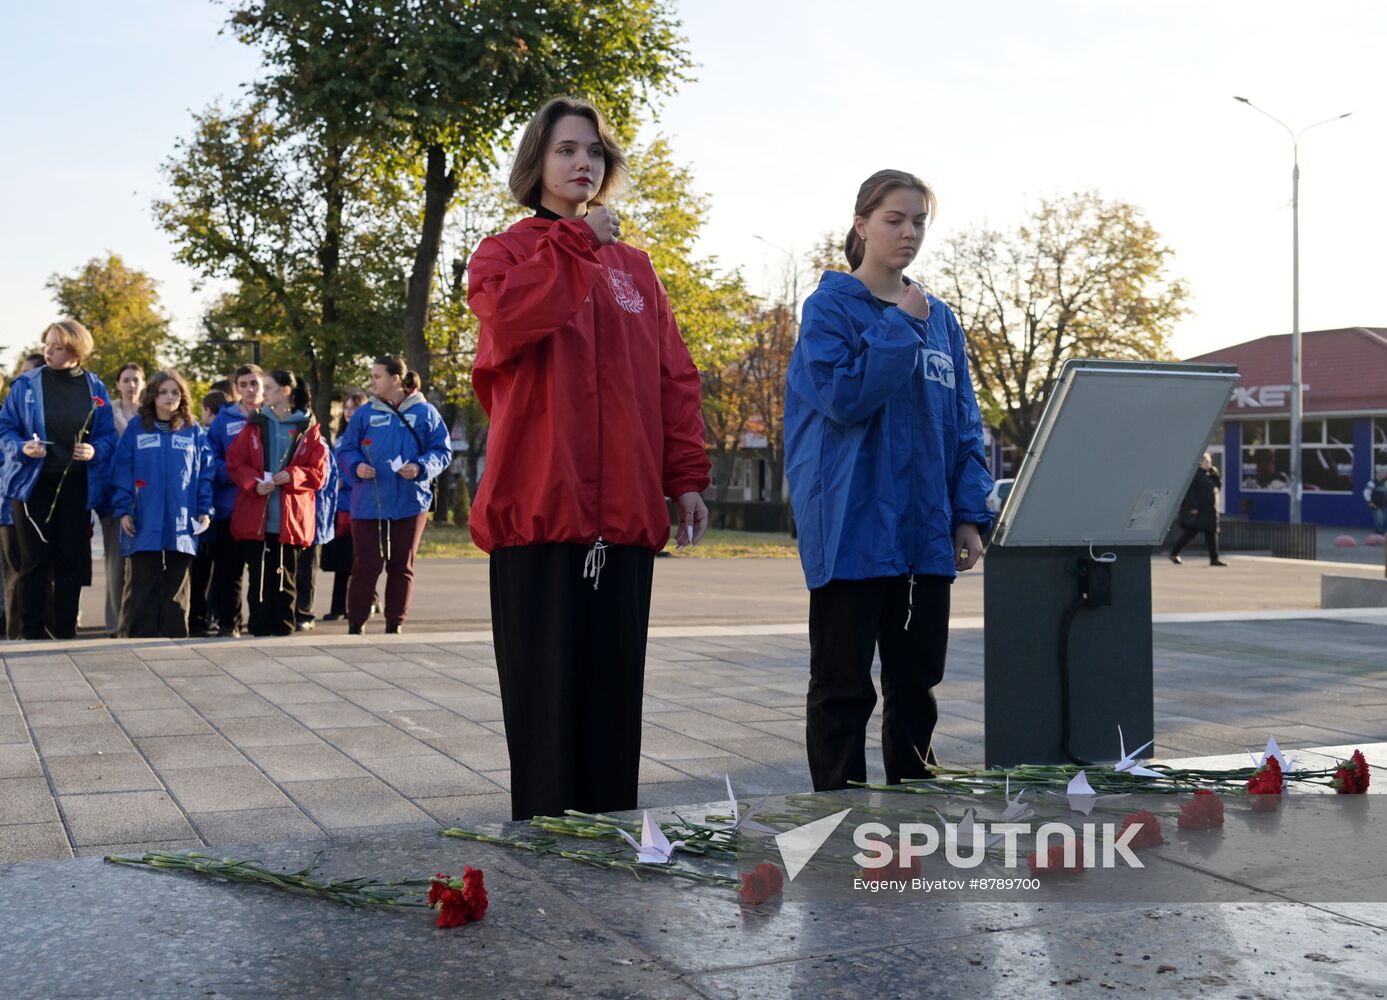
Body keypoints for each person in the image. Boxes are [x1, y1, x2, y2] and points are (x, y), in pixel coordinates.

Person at [466, 96, 709, 820]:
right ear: (536, 163)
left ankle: (610, 838)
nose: (583, 163)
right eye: (567, 149)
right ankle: (544, 847)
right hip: (540, 516)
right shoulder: (504, 253)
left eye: (595, 152)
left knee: (611, 710)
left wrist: (686, 477)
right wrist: (573, 244)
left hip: (625, 520)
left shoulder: (635, 268)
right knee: (543, 713)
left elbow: (673, 377)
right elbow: (511, 323)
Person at [784, 169, 993, 792]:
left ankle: (912, 810)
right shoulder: (829, 309)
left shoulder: (943, 321)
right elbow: (845, 398)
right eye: (894, 219)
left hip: (924, 538)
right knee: (843, 689)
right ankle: (837, 817)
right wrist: (900, 326)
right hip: (853, 531)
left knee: (916, 686)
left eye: (919, 221)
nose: (908, 233)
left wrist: (967, 515)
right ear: (862, 224)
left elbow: (964, 426)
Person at [0, 321, 117, 639]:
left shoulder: (96, 388)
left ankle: (65, 632)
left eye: (56, 346)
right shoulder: (24, 385)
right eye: (46, 344)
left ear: (76, 351)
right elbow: (4, 429)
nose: (47, 351)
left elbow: (108, 437)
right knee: (34, 561)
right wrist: (23, 447)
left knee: (69, 560)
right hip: (31, 485)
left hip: (76, 485)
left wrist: (93, 450)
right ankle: (31, 632)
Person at [336, 356, 451, 635]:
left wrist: (421, 466)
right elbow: (345, 449)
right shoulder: (364, 414)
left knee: (401, 564)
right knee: (366, 564)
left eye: (377, 376)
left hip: (410, 501)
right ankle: (356, 623)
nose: (372, 381)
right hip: (367, 502)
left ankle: (395, 622)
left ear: (395, 379)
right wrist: (356, 465)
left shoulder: (426, 412)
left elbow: (442, 451)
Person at [110, 371, 214, 637]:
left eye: (175, 392)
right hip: (145, 517)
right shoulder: (136, 428)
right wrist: (123, 509)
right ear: (153, 396)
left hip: (182, 519)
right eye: (164, 392)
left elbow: (205, 474)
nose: (170, 398)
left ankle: (175, 636)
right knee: (143, 582)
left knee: (178, 584)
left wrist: (205, 510)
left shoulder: (194, 431)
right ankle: (139, 637)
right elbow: (123, 468)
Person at [226, 369, 325, 636]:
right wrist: (254, 483)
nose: (263, 392)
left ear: (285, 391)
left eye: (268, 387)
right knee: (258, 577)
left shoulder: (308, 428)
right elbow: (235, 462)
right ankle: (258, 627)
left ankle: (284, 628)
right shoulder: (256, 424)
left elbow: (318, 473)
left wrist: (293, 475)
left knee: (285, 576)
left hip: (290, 519)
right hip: (257, 517)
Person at [208, 365, 265, 636]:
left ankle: (259, 621)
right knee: (228, 571)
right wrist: (237, 474)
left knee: (259, 570)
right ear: (237, 388)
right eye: (243, 384)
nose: (250, 389)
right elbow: (212, 457)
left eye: (254, 383)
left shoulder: (273, 415)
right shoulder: (223, 418)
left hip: (262, 507)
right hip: (230, 506)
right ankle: (229, 623)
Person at [0, 355, 46, 638]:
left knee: (27, 569)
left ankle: (27, 630)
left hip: (28, 501)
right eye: (22, 374)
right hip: (9, 503)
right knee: (16, 570)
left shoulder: (36, 415)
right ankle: (16, 631)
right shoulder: (10, 417)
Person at [98, 362, 145, 636]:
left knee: (140, 562)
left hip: (146, 496)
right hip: (113, 496)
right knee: (115, 562)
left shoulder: (150, 413)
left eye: (136, 380)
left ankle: (136, 619)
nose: (131, 385)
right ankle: (115, 622)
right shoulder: (107, 412)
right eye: (126, 380)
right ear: (118, 384)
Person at [320, 388, 367, 621]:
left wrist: (344, 481)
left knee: (353, 560)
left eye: (354, 407)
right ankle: (342, 604)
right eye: (346, 408)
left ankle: (348, 605)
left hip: (356, 506)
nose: (349, 412)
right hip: (338, 508)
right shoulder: (340, 439)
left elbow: (359, 469)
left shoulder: (366, 437)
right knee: (341, 561)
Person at [188, 389, 229, 635]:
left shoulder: (206, 434)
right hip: (223, 511)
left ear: (208, 410)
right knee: (221, 573)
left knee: (201, 572)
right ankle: (216, 617)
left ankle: (198, 619)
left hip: (207, 514)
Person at [293, 418, 338, 632]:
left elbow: (325, 485)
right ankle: (290, 609)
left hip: (311, 517)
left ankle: (303, 611)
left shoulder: (320, 445)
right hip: (292, 517)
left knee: (306, 568)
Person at [1170, 453, 1227, 566]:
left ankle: (1214, 559)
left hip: (1209, 512)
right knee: (1189, 534)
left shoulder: (1209, 475)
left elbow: (1217, 487)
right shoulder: (1195, 475)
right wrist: (1192, 507)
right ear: (1200, 462)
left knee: (1211, 534)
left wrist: (1215, 475)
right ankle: (1174, 553)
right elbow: (1189, 493)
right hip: (1198, 513)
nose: (1209, 464)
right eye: (1207, 462)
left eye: (1210, 462)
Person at [1363, 466, 1387, 535]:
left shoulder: (1384, 483)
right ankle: (1379, 534)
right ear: (1379, 474)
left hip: (1384, 505)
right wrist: (1369, 502)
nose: (1386, 475)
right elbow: (1366, 492)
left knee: (1383, 519)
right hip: (1375, 504)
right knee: (1379, 519)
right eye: (1385, 473)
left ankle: (1380, 533)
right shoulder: (1372, 483)